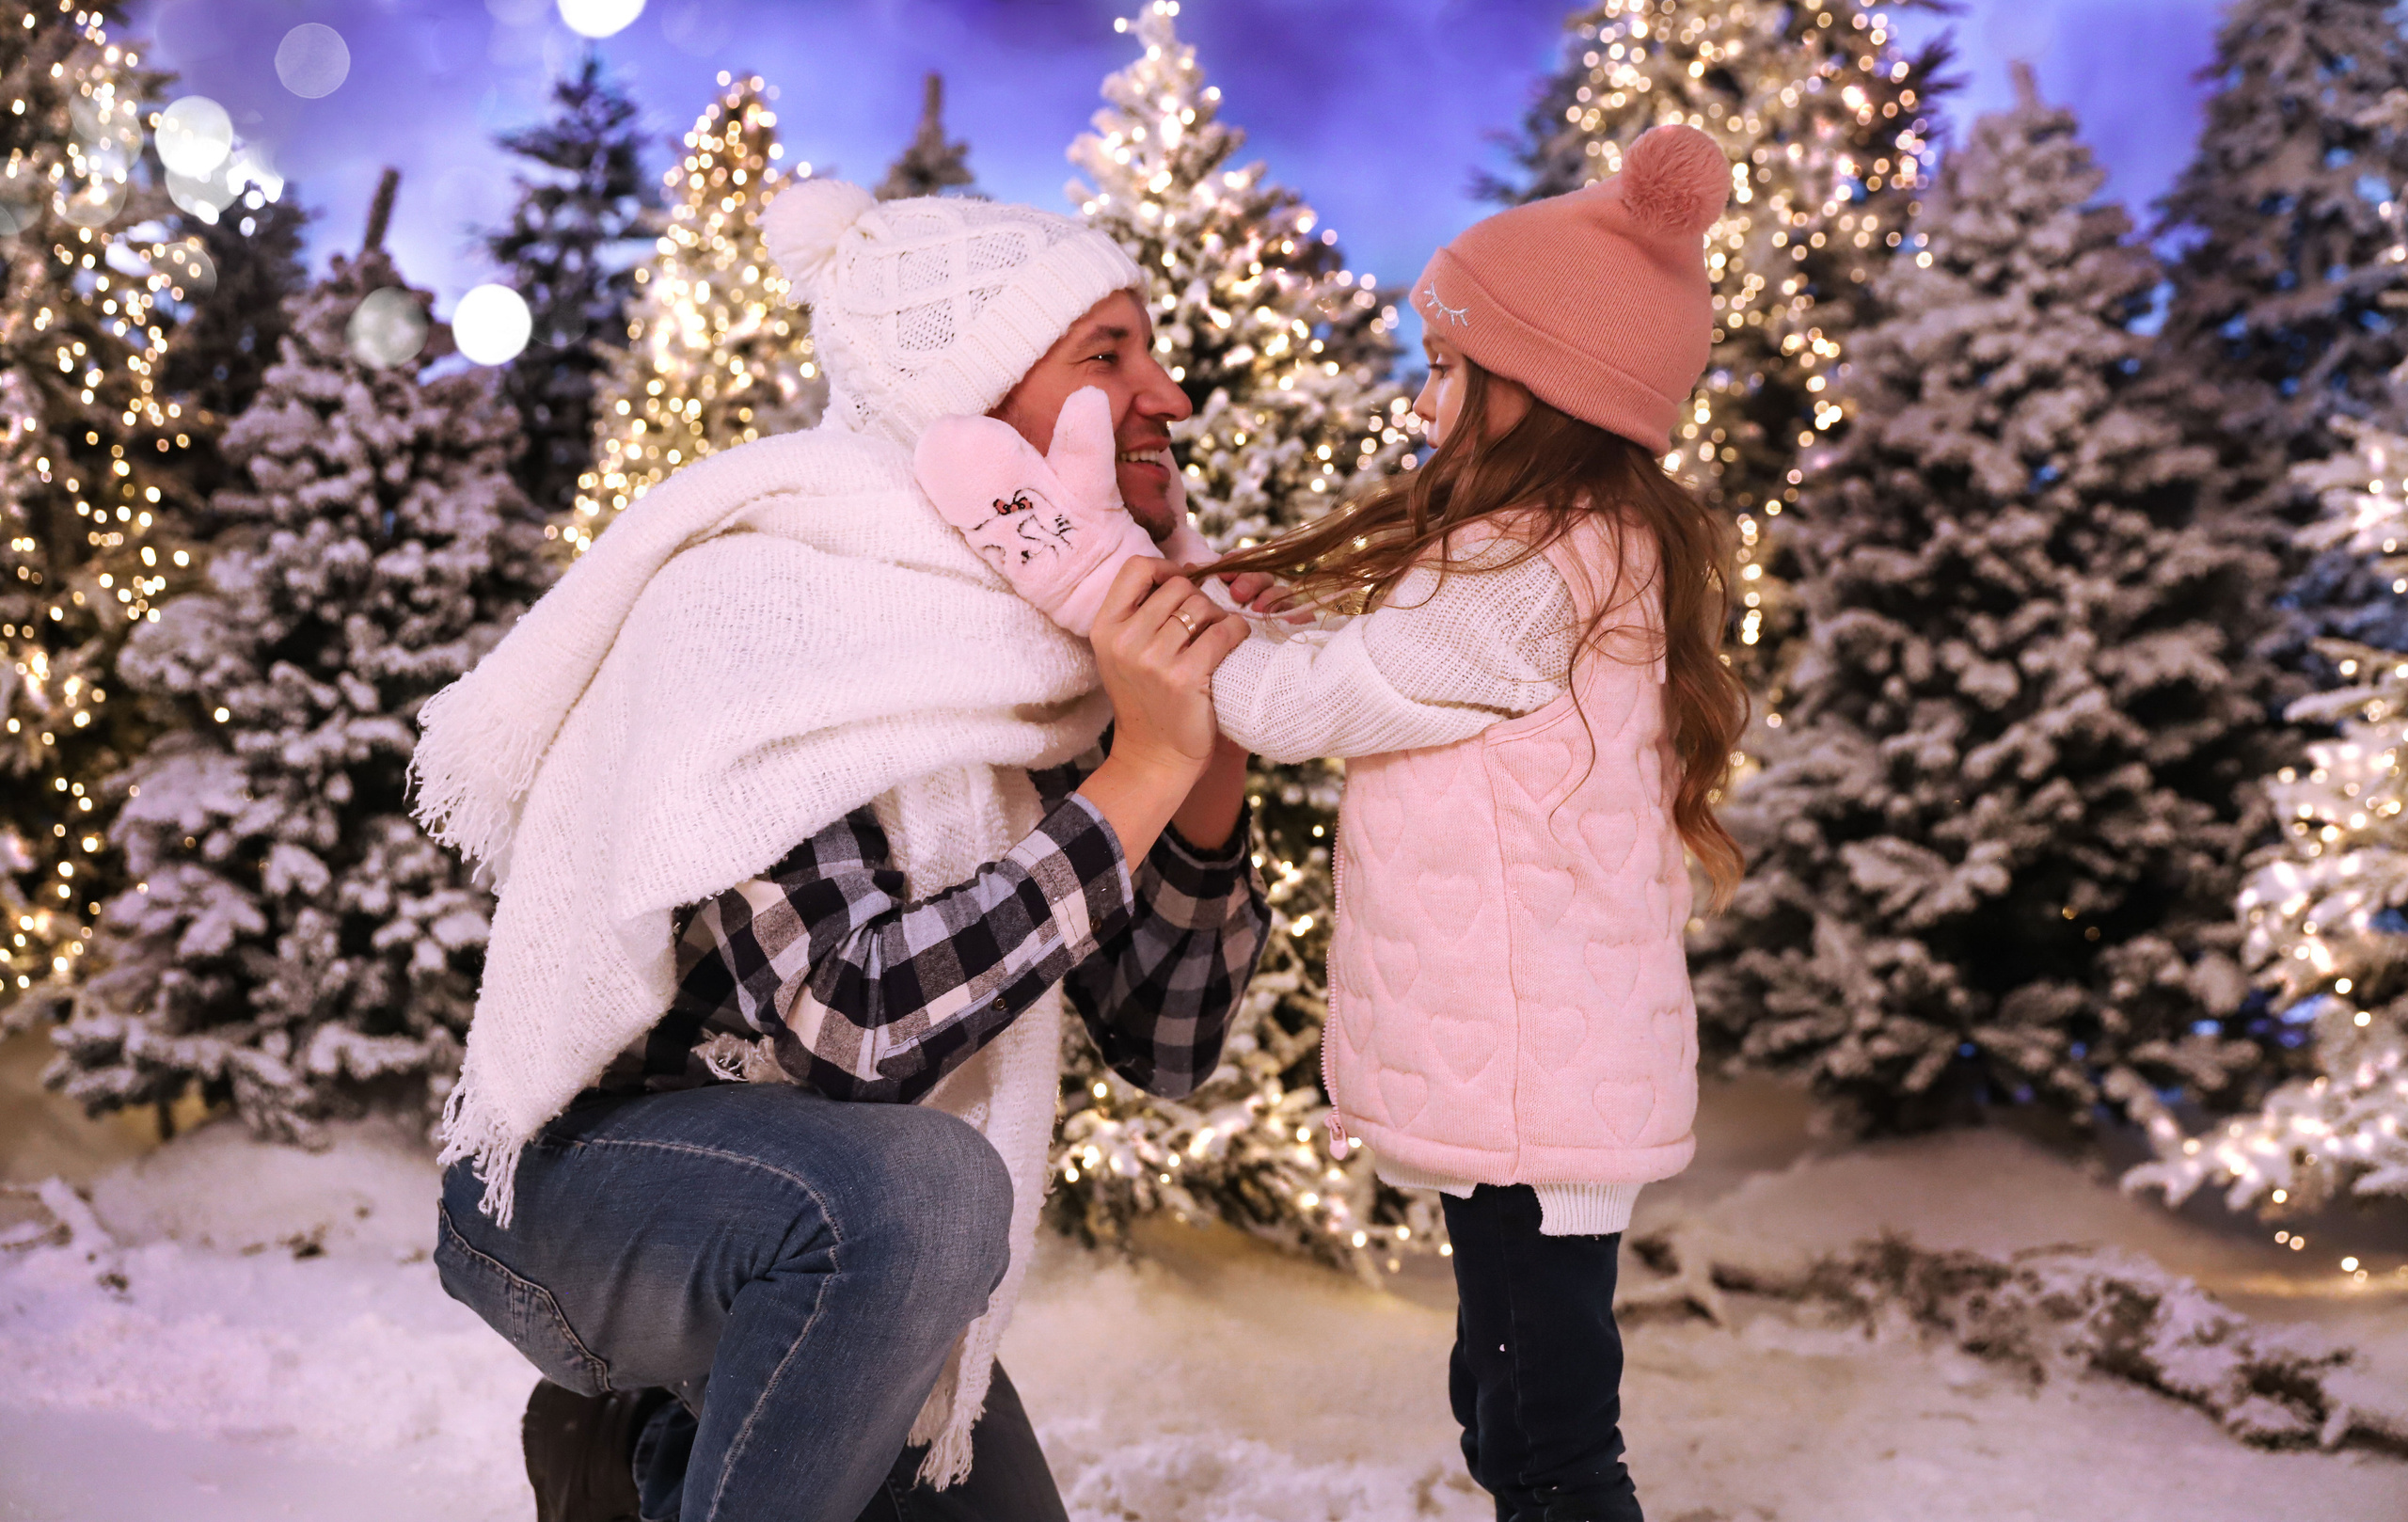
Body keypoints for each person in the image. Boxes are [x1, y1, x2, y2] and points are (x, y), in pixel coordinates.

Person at [409, 180, 1283, 1522]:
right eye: (1107, 355)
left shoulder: (1050, 650)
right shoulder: (765, 601)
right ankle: (638, 1424)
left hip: (852, 1234)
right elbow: (853, 1022)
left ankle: (657, 1444)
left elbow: (1169, 1042)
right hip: (587, 1186)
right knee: (928, 1188)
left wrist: (1204, 744)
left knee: (917, 1224)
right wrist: (1141, 769)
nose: (1168, 393)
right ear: (971, 402)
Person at [1195, 124, 1751, 1522]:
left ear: (1550, 381)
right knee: (1512, 1408)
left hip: (1527, 1093)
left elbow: (1301, 706)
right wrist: (1298, 614)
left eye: (1451, 365)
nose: (1427, 400)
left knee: (1548, 1443)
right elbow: (1413, 667)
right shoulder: (1567, 552)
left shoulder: (1526, 576)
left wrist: (1160, 622)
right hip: (1535, 1079)